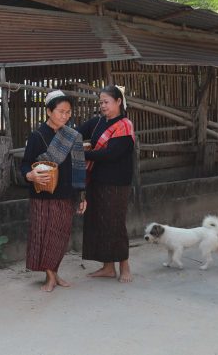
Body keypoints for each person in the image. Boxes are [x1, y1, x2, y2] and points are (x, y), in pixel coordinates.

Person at [21, 90, 87, 292]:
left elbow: (78, 168)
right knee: (44, 235)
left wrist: (82, 196)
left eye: (68, 112)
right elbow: (25, 165)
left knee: (60, 235)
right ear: (49, 111)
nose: (65, 116)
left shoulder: (73, 136)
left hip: (66, 194)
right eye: (61, 111)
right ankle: (50, 276)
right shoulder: (37, 136)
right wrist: (30, 176)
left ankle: (55, 273)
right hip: (43, 195)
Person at [78, 85, 135, 283]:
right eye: (100, 102)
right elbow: (76, 133)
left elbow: (112, 154)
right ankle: (108, 267)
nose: (102, 105)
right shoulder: (97, 122)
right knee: (98, 223)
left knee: (115, 223)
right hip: (97, 179)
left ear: (118, 101)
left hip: (117, 182)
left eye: (106, 102)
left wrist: (82, 154)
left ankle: (124, 266)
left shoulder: (125, 125)